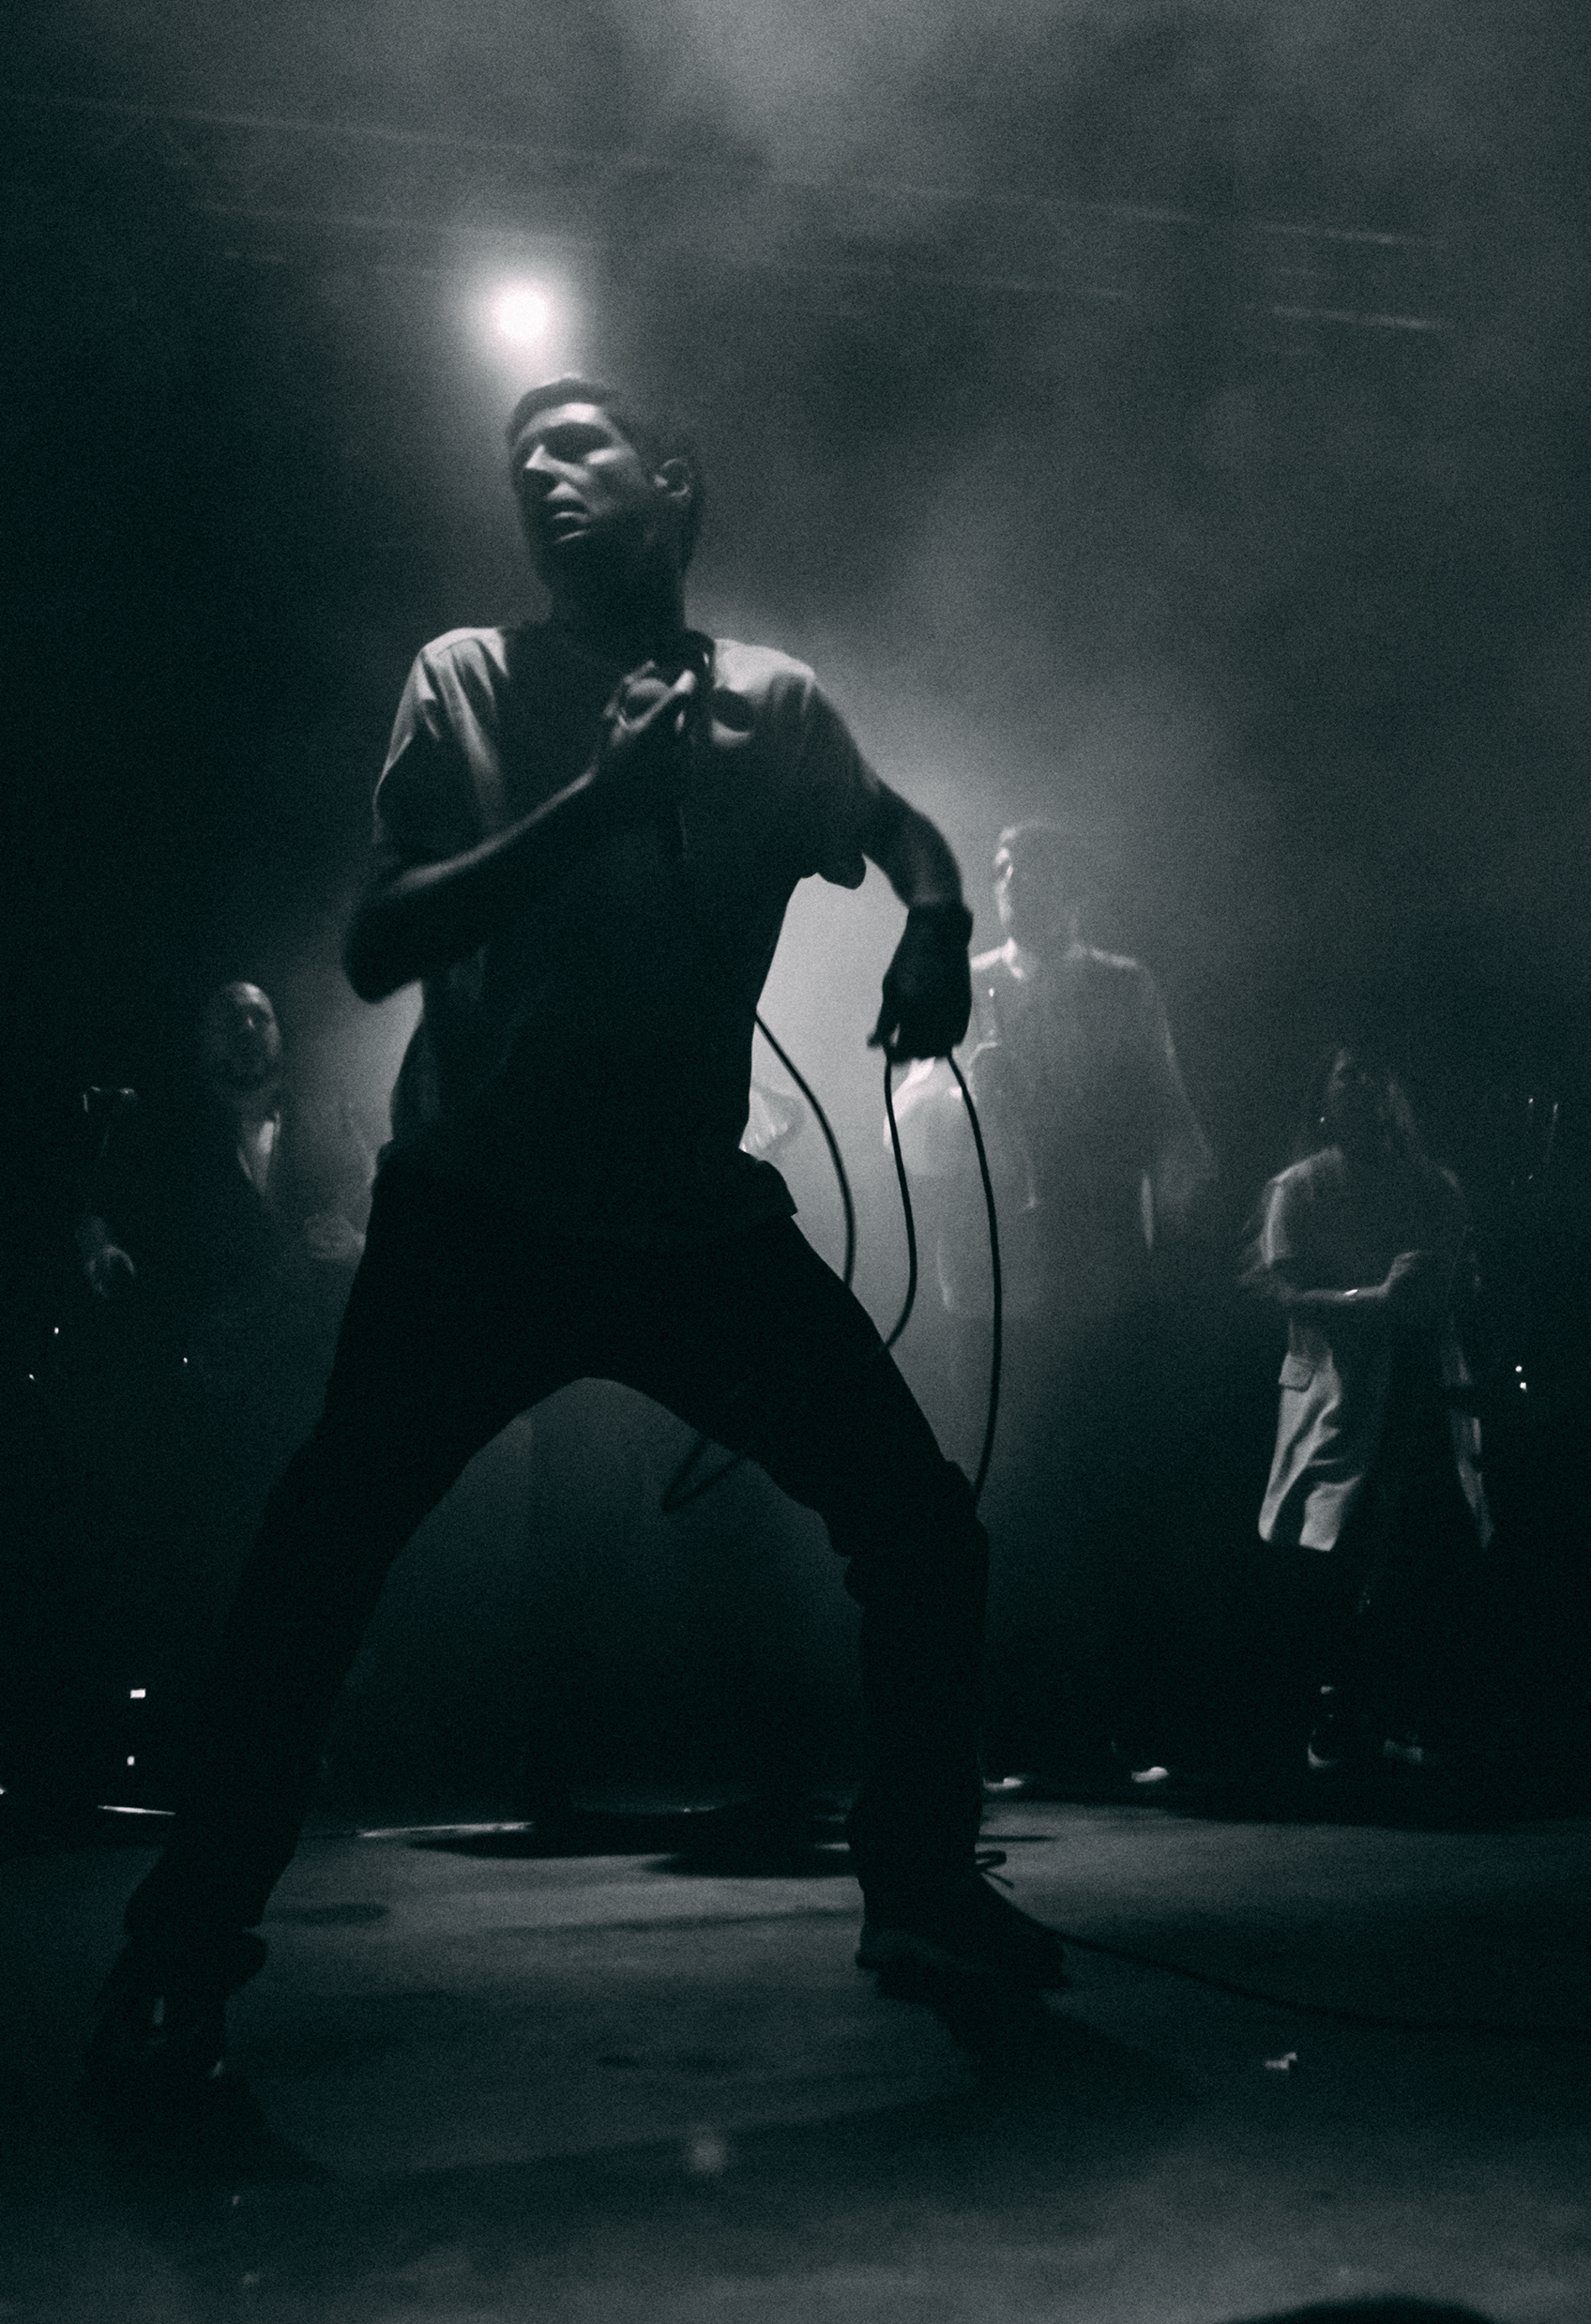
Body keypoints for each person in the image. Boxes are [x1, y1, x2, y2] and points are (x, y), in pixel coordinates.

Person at [85, 375, 1067, 2110]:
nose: (535, 470)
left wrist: (937, 915)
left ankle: (921, 1889)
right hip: (479, 1214)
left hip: (687, 1219)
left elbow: (895, 825)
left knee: (921, 1524)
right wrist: (597, 810)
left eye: (574, 444)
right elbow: (379, 942)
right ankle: (182, 1942)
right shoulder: (466, 675)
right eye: (516, 456)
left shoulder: (777, 701)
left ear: (668, 480)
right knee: (317, 1566)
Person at [891, 822, 1214, 1777]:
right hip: (992, 1283)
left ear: (1072, 886)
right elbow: (905, 1124)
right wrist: (967, 1092)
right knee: (1008, 1505)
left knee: (1115, 1501)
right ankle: (1019, 1733)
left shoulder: (1124, 984)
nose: (1010, 884)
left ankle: (1126, 1725)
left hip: (1104, 1279)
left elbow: (1168, 1112)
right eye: (1001, 870)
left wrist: (1172, 1204)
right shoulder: (961, 979)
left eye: (1029, 869)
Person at [69, 982, 374, 1778]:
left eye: (258, 1015)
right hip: (212, 1383)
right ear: (200, 1039)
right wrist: (103, 1253)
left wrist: (358, 1246)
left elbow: (382, 1210)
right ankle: (212, 1738)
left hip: (309, 1381)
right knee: (217, 1563)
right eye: (229, 1017)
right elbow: (100, 1207)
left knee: (314, 1560)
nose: (246, 1027)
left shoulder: (328, 1117)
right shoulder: (166, 1127)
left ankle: (312, 1737)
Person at [1250, 1044, 1493, 1777]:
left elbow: (1462, 1283)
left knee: (1417, 1548)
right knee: (1333, 1551)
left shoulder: (1434, 1186)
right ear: (1324, 1096)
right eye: (1348, 1072)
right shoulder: (1299, 1187)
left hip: (1422, 1392)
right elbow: (1285, 1295)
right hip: (1339, 1397)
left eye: (1375, 1072)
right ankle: (1335, 1709)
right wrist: (1375, 1302)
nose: (1366, 1085)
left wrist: (1446, 1292)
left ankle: (1400, 1708)